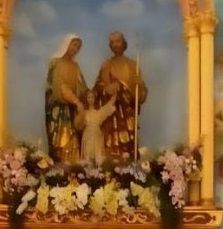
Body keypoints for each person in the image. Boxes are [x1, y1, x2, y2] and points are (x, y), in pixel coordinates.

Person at [94, 31, 147, 162]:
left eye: (117, 41)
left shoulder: (132, 65)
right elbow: (96, 89)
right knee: (111, 149)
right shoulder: (106, 65)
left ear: (124, 43)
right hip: (111, 115)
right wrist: (106, 89)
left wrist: (136, 86)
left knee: (128, 147)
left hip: (127, 114)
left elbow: (141, 92)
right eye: (112, 42)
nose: (115, 45)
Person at [45, 34, 87, 162]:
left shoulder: (75, 66)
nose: (76, 49)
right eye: (74, 45)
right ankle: (60, 167)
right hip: (59, 110)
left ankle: (73, 169)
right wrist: (76, 101)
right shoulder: (56, 63)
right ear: (67, 44)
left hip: (73, 110)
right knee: (61, 140)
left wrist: (90, 96)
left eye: (78, 47)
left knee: (74, 140)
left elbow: (82, 87)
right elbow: (59, 86)